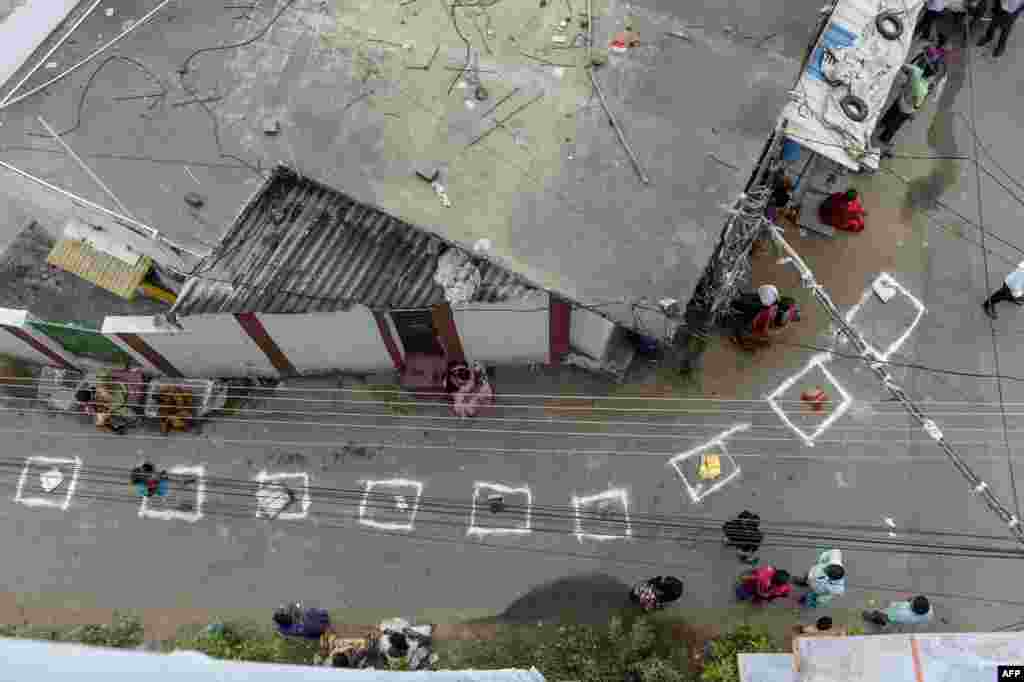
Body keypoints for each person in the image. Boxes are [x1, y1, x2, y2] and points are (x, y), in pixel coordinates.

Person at [877, 64, 929, 146]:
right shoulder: (924, 89)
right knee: (895, 125)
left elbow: (903, 66)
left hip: (901, 98)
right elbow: (916, 103)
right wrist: (914, 112)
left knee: (891, 113)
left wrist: (907, 82)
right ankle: (884, 138)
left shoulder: (915, 71)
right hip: (906, 109)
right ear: (931, 76)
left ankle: (881, 124)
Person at [863, 595, 933, 628]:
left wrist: (878, 613)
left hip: (894, 616)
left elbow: (887, 617)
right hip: (909, 622)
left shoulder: (901, 613)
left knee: (881, 617)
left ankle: (872, 618)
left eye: (913, 600)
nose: (912, 599)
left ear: (912, 607)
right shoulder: (929, 611)